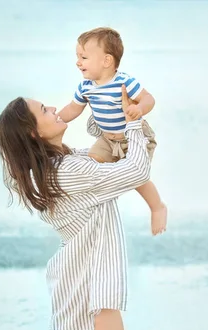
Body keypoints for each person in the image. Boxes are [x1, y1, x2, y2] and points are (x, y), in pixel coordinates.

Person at [0, 84, 147, 330]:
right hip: (95, 289)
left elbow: (103, 155)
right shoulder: (68, 171)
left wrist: (107, 111)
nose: (53, 108)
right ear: (34, 132)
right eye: (44, 110)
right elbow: (136, 170)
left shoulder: (53, 169)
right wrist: (134, 122)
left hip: (81, 284)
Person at [58, 26, 167, 236]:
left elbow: (148, 98)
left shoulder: (123, 82)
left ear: (106, 61)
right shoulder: (85, 86)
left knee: (138, 178)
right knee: (93, 162)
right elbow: (74, 109)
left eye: (83, 57)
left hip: (131, 139)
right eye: (77, 57)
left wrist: (139, 108)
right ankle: (98, 202)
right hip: (107, 138)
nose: (78, 62)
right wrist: (56, 119)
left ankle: (157, 207)